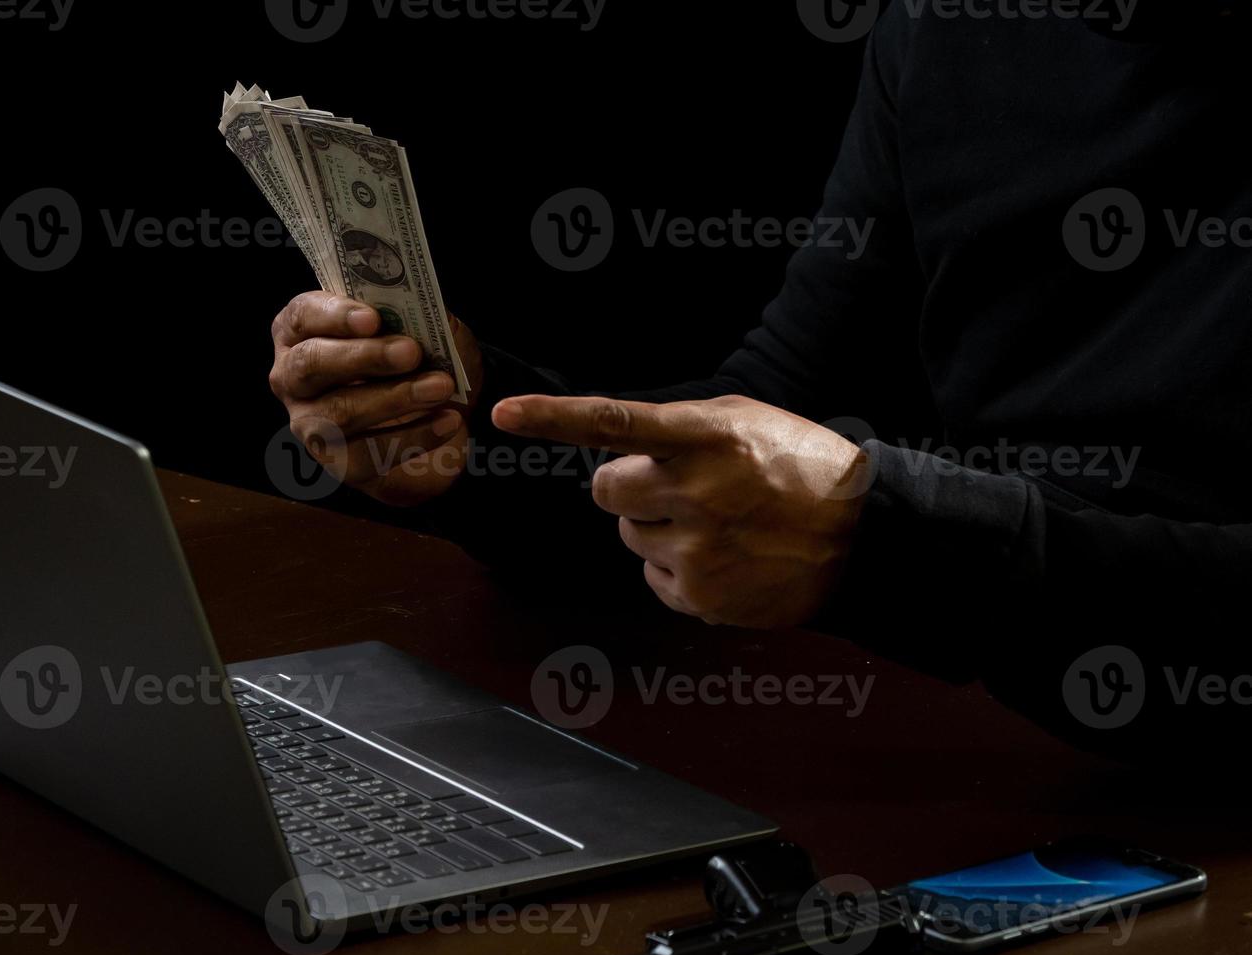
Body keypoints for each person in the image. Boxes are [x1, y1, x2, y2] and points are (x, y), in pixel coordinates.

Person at [266, 4, 1251, 760]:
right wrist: (466, 436)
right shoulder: (953, 26)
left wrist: (882, 535)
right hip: (1025, 775)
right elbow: (772, 414)